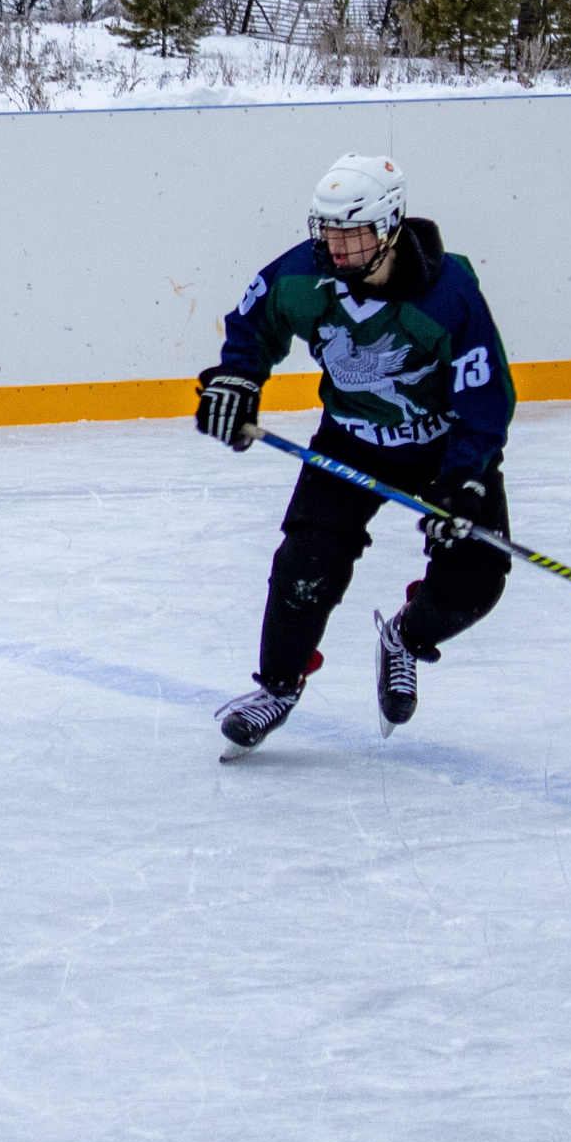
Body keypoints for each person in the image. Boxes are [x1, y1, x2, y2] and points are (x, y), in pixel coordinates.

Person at [194, 154, 516, 757]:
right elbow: (253, 324)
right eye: (328, 231)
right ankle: (277, 687)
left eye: (354, 233)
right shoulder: (301, 276)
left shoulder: (449, 295)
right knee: (304, 565)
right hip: (349, 442)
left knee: (476, 580)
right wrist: (237, 379)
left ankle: (404, 637)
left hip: (444, 450)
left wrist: (464, 480)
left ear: (390, 226)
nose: (337, 248)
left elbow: (485, 395)